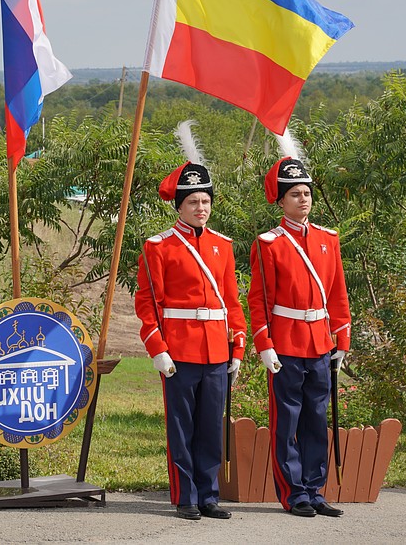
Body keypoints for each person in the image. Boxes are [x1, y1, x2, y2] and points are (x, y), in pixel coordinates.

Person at [135, 121, 246, 521]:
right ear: (179, 206)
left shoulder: (223, 246)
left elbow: (232, 302)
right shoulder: (158, 247)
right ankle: (185, 497)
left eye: (206, 202)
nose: (201, 208)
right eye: (194, 202)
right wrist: (157, 349)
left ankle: (209, 494)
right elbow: (147, 303)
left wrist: (237, 345)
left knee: (209, 426)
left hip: (216, 347)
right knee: (181, 427)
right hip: (178, 350)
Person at [247, 131, 351, 519]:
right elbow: (258, 299)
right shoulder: (268, 243)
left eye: (306, 192)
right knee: (287, 420)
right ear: (281, 200)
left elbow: (337, 292)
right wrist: (265, 344)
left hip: (320, 341)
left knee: (314, 419)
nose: (303, 199)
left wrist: (342, 338)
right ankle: (293, 494)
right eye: (295, 194)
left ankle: (315, 488)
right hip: (286, 342)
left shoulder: (328, 239)